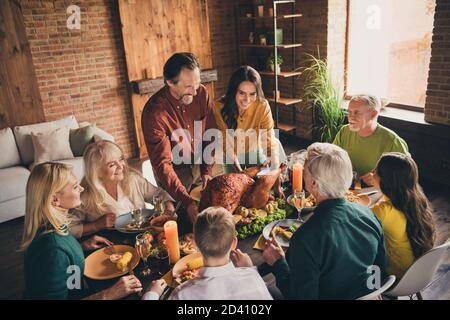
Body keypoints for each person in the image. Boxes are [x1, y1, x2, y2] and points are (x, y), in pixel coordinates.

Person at [262, 143, 388, 299]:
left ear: (314, 184)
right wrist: (372, 293)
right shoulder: (370, 216)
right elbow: (379, 268)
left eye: (305, 170)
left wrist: (278, 263)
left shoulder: (305, 238)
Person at [21, 162, 142, 299]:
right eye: (74, 187)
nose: (82, 188)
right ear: (55, 199)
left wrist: (80, 248)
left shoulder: (53, 225)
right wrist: (108, 294)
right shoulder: (52, 249)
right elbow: (55, 255)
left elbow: (62, 263)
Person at [141, 52, 218, 225]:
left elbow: (210, 134)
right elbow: (163, 165)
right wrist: (186, 201)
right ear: (170, 82)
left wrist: (207, 170)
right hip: (175, 174)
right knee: (184, 222)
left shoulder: (201, 94)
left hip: (201, 162)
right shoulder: (155, 113)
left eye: (197, 83)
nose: (195, 90)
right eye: (188, 86)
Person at [142, 206, 273, 300]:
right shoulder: (254, 278)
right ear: (234, 243)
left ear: (197, 245)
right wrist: (249, 270)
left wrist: (152, 294)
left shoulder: (182, 294)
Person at [69, 140, 174, 238]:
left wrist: (168, 210)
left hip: (145, 238)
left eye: (121, 159)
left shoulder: (133, 179)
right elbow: (67, 229)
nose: (121, 166)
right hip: (113, 246)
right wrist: (96, 225)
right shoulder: (85, 195)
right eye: (112, 165)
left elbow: (160, 195)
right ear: (97, 172)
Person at [214, 65, 283, 197]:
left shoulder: (262, 106)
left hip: (255, 152)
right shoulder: (219, 107)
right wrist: (241, 173)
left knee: (260, 192)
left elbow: (269, 143)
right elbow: (226, 144)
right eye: (242, 93)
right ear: (234, 91)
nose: (247, 100)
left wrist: (277, 184)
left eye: (252, 94)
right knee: (234, 192)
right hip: (231, 157)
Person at [371, 152, 436, 279]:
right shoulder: (416, 199)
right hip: (417, 270)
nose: (372, 172)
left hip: (393, 276)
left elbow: (355, 222)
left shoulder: (383, 210)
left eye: (376, 170)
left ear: (386, 179)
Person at [333, 95, 409, 186]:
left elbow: (406, 179)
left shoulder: (393, 142)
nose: (351, 117)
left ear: (373, 114)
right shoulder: (344, 132)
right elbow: (331, 159)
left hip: (378, 193)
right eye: (349, 112)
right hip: (345, 188)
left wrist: (380, 180)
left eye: (357, 113)